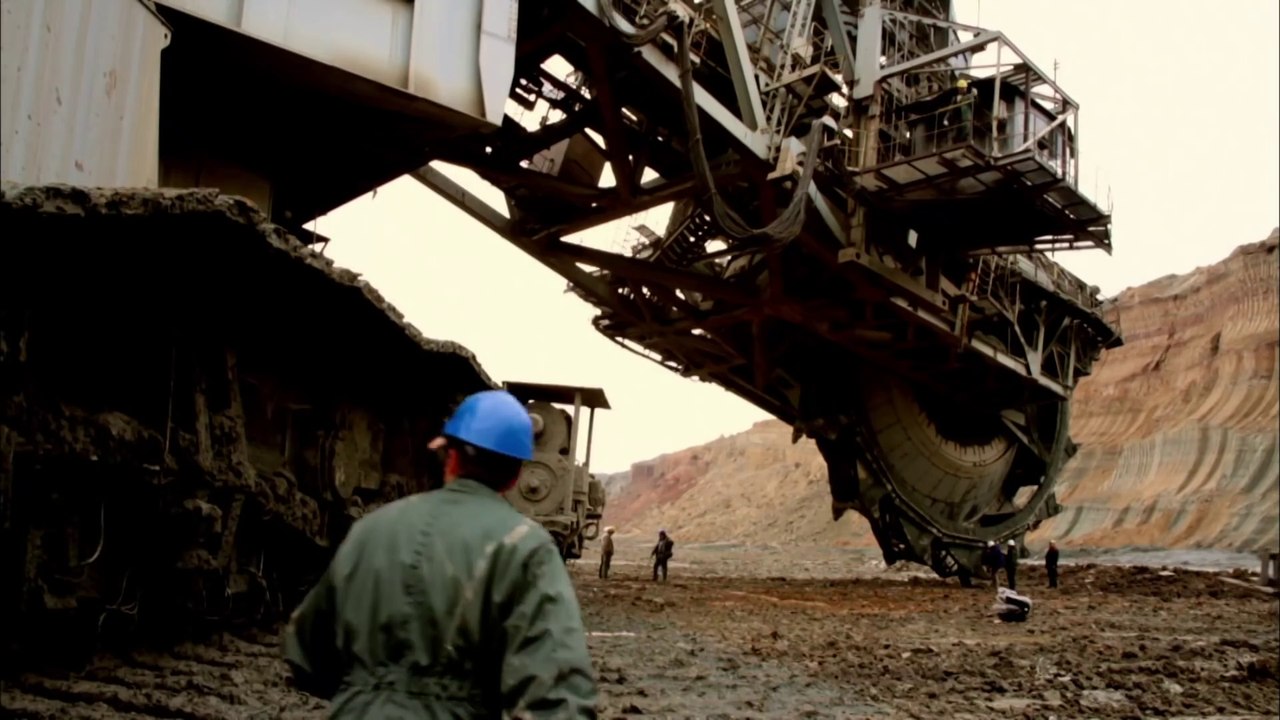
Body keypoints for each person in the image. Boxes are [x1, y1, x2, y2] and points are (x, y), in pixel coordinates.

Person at [281, 389, 599, 718]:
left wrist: (370, 690)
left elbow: (306, 653)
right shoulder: (524, 546)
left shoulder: (370, 530)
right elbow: (559, 699)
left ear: (450, 456)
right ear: (517, 474)